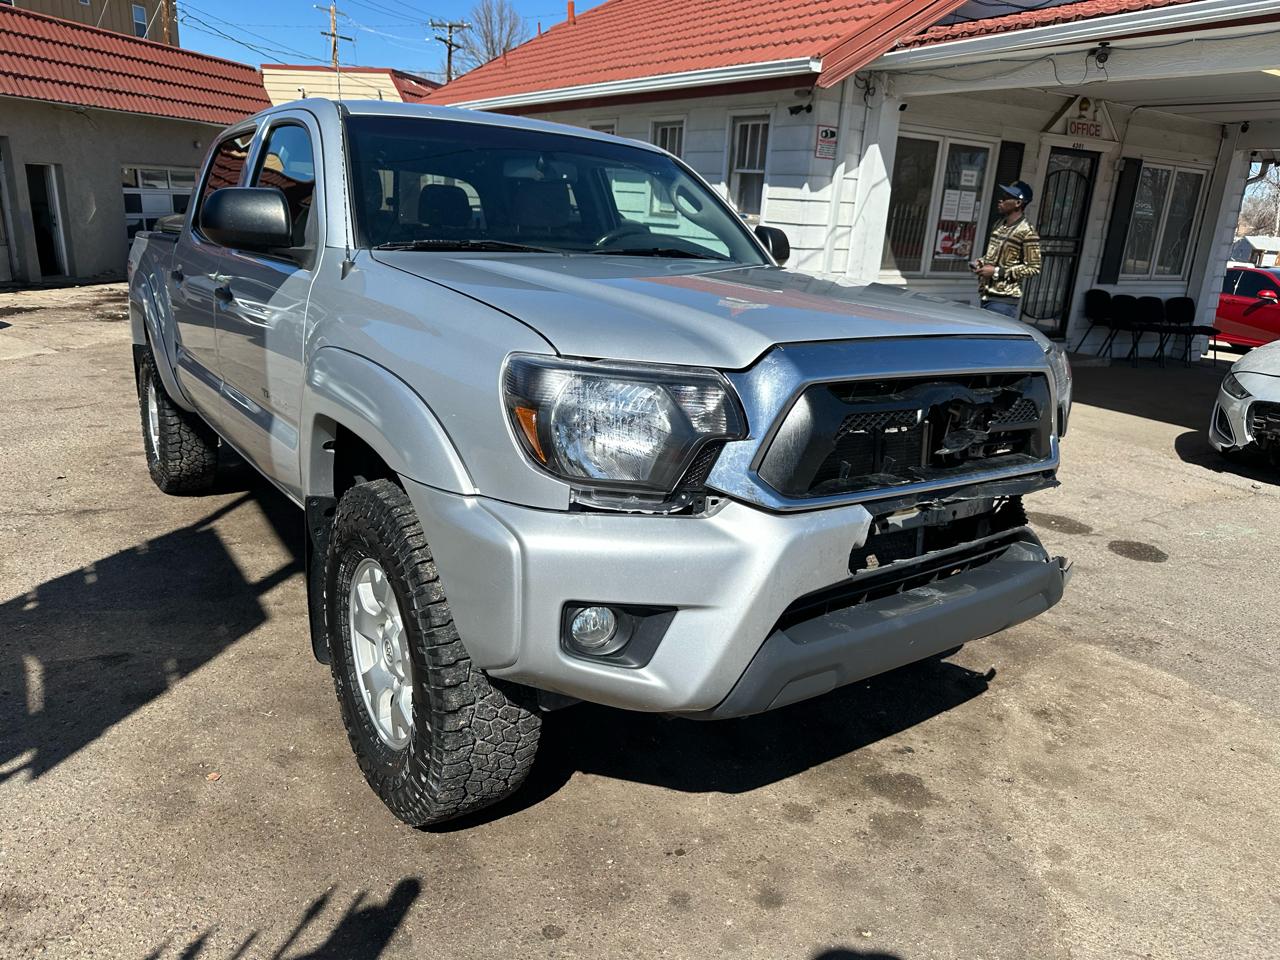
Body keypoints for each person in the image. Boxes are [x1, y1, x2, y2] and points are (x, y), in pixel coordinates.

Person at [972, 180, 1041, 320]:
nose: (1000, 200)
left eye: (1006, 197)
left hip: (1004, 301)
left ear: (1018, 203)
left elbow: (1034, 267)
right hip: (986, 294)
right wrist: (980, 263)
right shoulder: (999, 225)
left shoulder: (1027, 231)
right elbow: (993, 256)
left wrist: (997, 272)